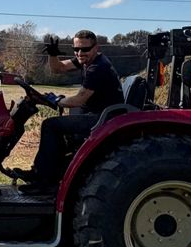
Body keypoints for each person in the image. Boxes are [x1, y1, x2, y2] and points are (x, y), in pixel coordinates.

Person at [19, 30, 122, 190]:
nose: (80, 53)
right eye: (76, 49)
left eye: (85, 49)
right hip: (96, 113)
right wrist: (52, 55)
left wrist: (56, 100)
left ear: (96, 48)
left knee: (50, 125)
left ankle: (43, 180)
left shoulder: (98, 68)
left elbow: (79, 99)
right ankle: (45, 172)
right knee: (59, 126)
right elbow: (58, 68)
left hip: (103, 118)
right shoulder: (85, 61)